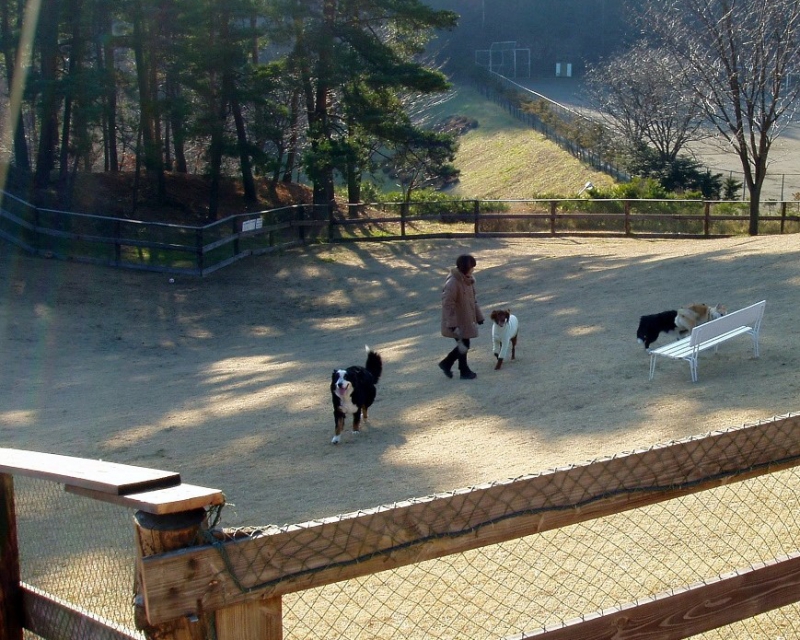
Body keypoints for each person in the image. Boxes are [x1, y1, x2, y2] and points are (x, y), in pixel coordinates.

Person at [439, 254, 484, 380]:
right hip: (457, 321)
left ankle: (451, 365)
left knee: (464, 344)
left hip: (465, 319)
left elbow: (472, 301)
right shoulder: (453, 282)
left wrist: (479, 316)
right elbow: (447, 304)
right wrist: (452, 323)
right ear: (465, 267)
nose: (473, 270)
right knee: (464, 344)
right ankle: (458, 368)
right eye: (471, 267)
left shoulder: (468, 280)